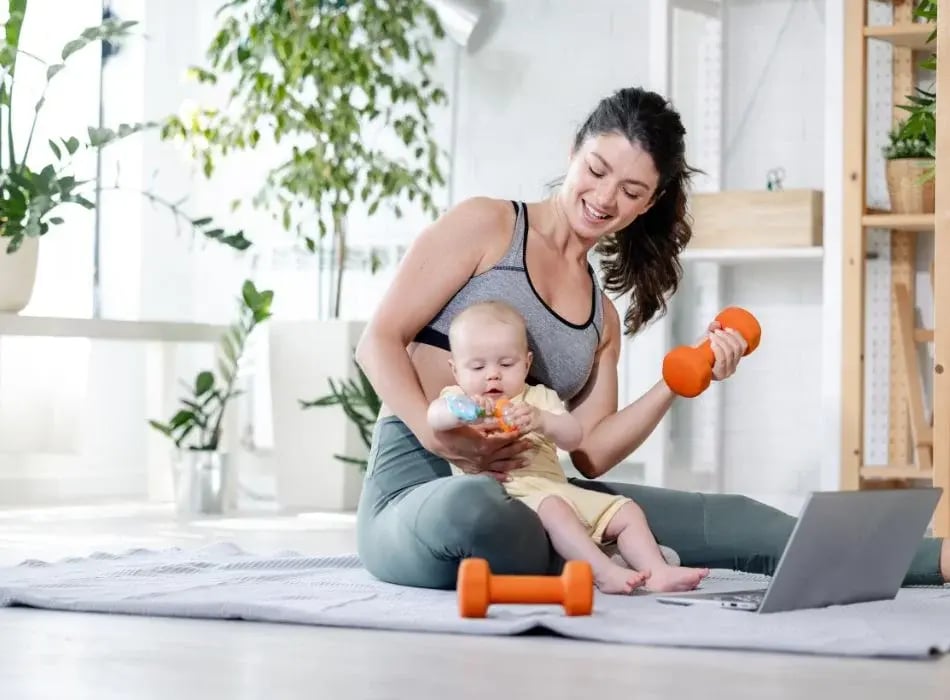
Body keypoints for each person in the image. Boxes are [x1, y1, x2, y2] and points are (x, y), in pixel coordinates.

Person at [354, 86, 950, 590]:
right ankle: (596, 559)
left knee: (737, 520)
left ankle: (936, 560)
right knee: (482, 511)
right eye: (596, 169)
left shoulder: (600, 318)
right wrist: (445, 446)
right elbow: (378, 340)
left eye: (633, 191)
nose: (606, 198)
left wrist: (677, 380)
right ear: (573, 152)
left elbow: (590, 450)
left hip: (540, 494)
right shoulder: (489, 227)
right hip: (421, 494)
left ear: (650, 202)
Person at [427, 300, 711, 594]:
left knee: (626, 510)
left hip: (556, 489)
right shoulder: (457, 397)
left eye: (506, 364)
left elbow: (573, 436)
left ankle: (657, 571)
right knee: (555, 509)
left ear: (526, 363)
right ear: (456, 370)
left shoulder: (538, 398)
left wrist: (541, 421)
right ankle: (603, 572)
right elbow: (434, 418)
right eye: (477, 366)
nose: (493, 374)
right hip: (509, 498)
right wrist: (463, 411)